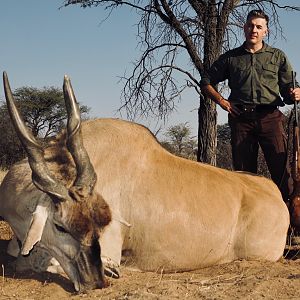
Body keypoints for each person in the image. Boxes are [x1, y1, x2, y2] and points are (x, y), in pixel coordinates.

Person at [200, 9, 300, 204]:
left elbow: (289, 90)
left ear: (266, 31)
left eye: (259, 26)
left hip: (270, 118)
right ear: (244, 28)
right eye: (250, 25)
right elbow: (206, 82)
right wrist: (222, 101)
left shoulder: (277, 56)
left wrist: (296, 92)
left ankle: (291, 225)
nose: (254, 29)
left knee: (281, 172)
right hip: (241, 120)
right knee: (244, 175)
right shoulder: (230, 58)